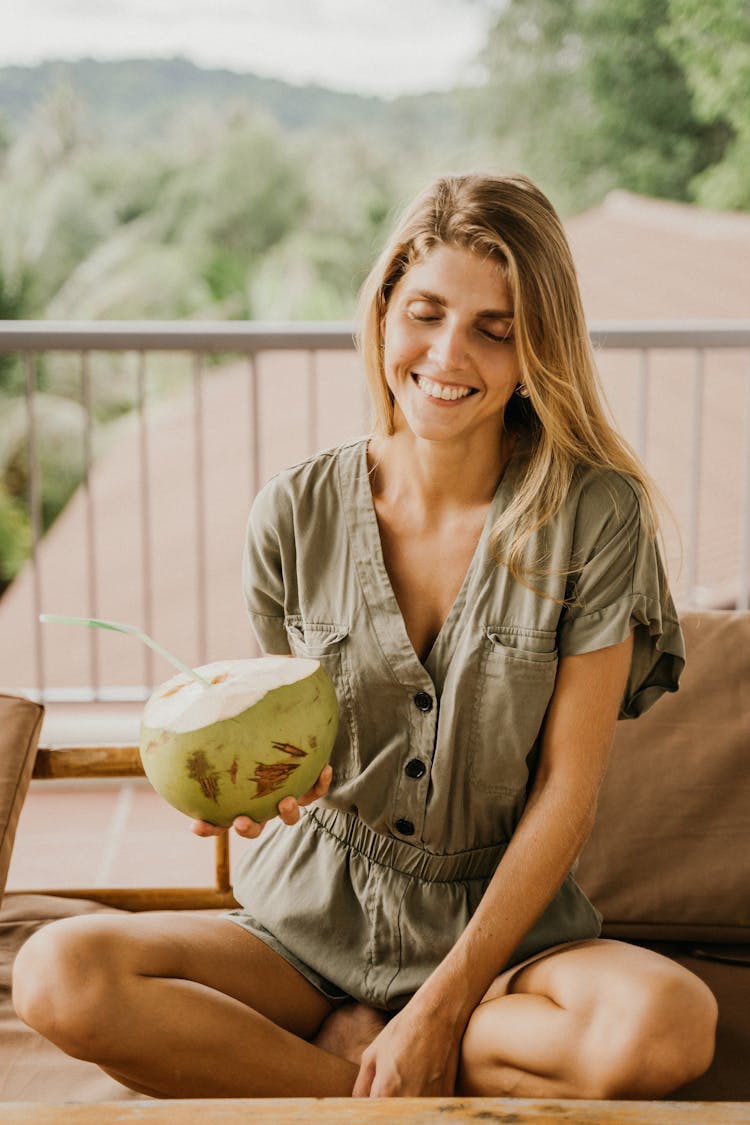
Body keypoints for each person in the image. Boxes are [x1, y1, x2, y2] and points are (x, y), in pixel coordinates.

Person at [13, 172, 717, 1100]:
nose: (448, 352)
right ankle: (371, 1088)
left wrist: (443, 1003)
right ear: (383, 313)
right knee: (57, 972)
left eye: (494, 327)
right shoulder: (294, 512)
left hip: (503, 946)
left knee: (666, 1026)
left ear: (538, 346)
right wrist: (260, 787)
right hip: (300, 932)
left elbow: (568, 793)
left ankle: (361, 1062)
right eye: (424, 312)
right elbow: (296, 741)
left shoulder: (595, 514)